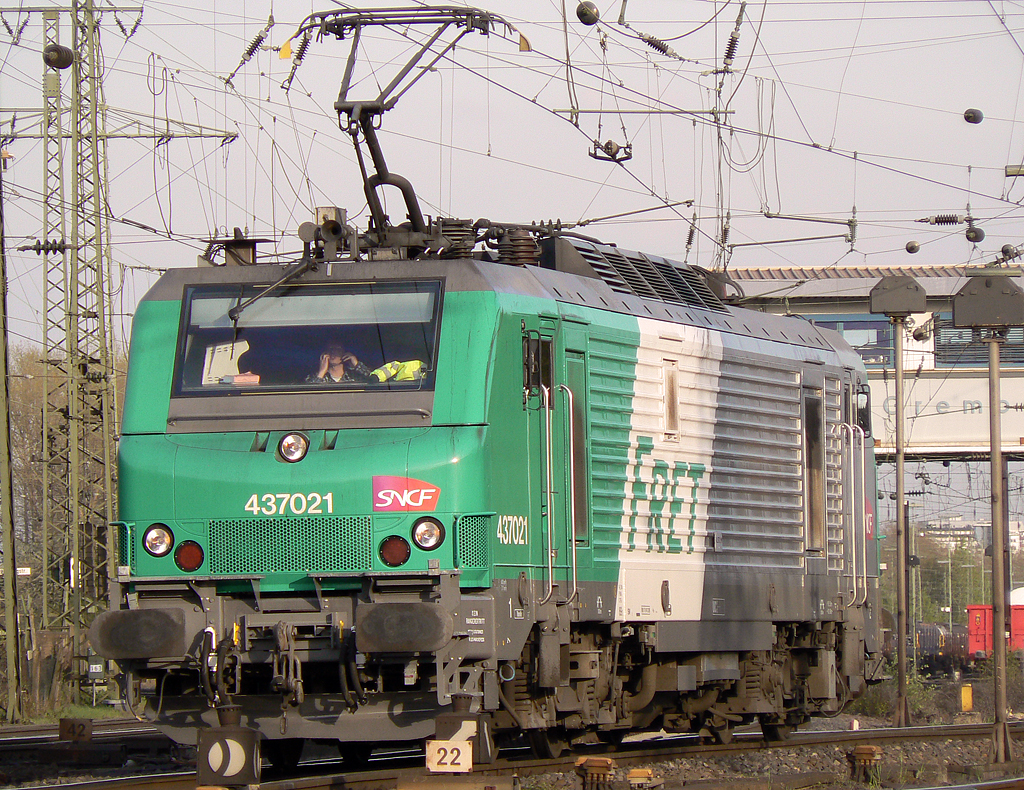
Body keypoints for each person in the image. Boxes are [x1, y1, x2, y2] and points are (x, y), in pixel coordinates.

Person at [306, 344, 374, 384]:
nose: (333, 352)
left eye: (337, 349)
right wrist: (321, 372)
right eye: (330, 349)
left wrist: (357, 365)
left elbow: (373, 380)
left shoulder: (354, 376)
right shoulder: (317, 376)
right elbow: (308, 395)